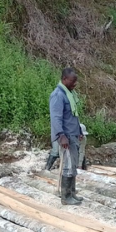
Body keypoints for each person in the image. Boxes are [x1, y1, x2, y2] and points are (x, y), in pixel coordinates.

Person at [49, 67, 84, 205]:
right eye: (72, 81)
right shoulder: (58, 95)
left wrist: (79, 131)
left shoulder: (70, 94)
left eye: (76, 81)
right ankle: (65, 197)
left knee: (73, 165)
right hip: (66, 137)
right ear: (64, 79)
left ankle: (72, 193)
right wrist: (61, 135)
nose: (75, 84)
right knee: (68, 166)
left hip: (73, 134)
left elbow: (73, 116)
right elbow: (56, 118)